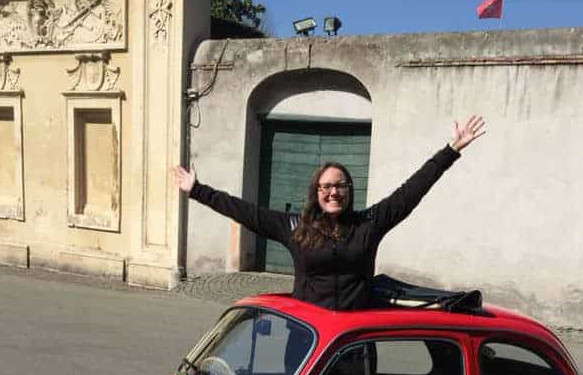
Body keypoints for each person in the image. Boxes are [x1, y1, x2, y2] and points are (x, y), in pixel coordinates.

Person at [174, 115, 487, 311]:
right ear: (316, 192)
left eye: (340, 185)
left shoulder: (369, 223)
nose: (333, 192)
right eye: (326, 187)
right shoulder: (295, 226)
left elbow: (411, 191)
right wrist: (198, 189)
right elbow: (244, 212)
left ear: (348, 190)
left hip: (352, 341)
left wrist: (451, 150)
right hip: (310, 341)